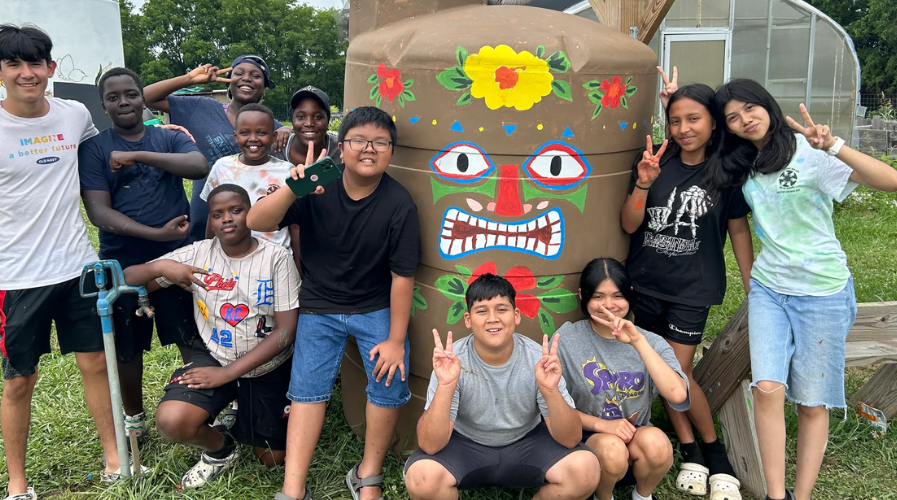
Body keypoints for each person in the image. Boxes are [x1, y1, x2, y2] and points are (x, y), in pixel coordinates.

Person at [0, 24, 122, 499]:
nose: (27, 73)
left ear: (51, 68)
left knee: (96, 364)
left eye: (35, 63)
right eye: (14, 64)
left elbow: (107, 157)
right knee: (20, 380)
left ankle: (114, 458)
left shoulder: (75, 114)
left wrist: (168, 131)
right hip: (16, 278)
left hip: (78, 269)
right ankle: (18, 483)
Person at [710, 78, 897, 500]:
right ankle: (776, 496)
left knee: (813, 403)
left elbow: (892, 181)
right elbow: (738, 225)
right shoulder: (744, 164)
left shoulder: (811, 153)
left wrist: (833, 146)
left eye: (749, 109)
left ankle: (803, 495)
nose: (745, 120)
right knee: (766, 390)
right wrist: (749, 281)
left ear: (766, 104)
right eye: (733, 118)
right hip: (770, 291)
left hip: (823, 293)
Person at [247, 107, 421, 500]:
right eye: (358, 140)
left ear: (391, 151)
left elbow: (402, 276)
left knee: (389, 380)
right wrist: (295, 186)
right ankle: (293, 488)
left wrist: (395, 339)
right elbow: (256, 221)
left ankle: (368, 474)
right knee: (306, 390)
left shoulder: (399, 204)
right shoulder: (314, 188)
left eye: (380, 142)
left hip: (374, 306)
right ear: (340, 149)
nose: (369, 149)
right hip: (319, 305)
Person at [620, 69, 753, 500]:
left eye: (694, 119)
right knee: (663, 373)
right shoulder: (656, 164)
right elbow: (629, 223)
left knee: (676, 371)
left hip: (693, 289)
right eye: (675, 121)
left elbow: (737, 232)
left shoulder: (726, 171)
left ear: (714, 121)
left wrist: (752, 285)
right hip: (645, 284)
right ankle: (693, 451)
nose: (683, 129)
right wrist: (643, 182)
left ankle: (715, 454)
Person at [122, 184, 300, 488]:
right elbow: (129, 279)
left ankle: (244, 407)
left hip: (268, 365)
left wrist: (227, 375)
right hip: (215, 355)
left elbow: (287, 330)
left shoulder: (276, 257)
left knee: (271, 458)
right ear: (211, 222)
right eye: (217, 214)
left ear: (251, 214)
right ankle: (221, 448)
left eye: (236, 210)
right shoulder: (199, 253)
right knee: (172, 421)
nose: (227, 219)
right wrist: (164, 266)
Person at [78, 66, 209, 444]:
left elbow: (198, 165)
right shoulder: (94, 149)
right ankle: (134, 417)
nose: (124, 102)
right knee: (127, 347)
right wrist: (155, 233)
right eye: (114, 97)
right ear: (104, 105)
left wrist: (138, 155)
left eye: (131, 94)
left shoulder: (166, 137)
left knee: (191, 336)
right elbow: (100, 213)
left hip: (177, 257)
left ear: (142, 97)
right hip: (123, 262)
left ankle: (202, 406)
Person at [403, 274, 599, 500]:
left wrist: (551, 390)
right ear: (468, 319)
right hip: (466, 445)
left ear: (516, 315)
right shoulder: (451, 361)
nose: (492, 318)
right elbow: (430, 445)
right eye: (482, 311)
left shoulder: (538, 359)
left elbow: (571, 439)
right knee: (422, 478)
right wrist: (446, 384)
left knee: (585, 471)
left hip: (527, 443)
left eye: (502, 309)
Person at [555, 258, 691, 500]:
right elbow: (553, 408)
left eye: (617, 296)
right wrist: (602, 425)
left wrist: (638, 342)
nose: (608, 305)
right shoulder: (567, 339)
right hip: (589, 442)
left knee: (658, 445)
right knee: (612, 449)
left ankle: (642, 496)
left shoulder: (651, 341)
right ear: (582, 296)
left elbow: (677, 394)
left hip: (634, 437)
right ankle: (603, 496)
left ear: (629, 295)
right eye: (598, 297)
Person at [143, 55, 290, 240]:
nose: (247, 78)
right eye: (239, 73)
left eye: (256, 75)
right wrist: (188, 78)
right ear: (229, 83)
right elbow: (145, 97)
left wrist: (287, 128)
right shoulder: (200, 108)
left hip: (252, 229)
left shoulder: (270, 128)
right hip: (204, 218)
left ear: (264, 88)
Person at [200, 104, 299, 268]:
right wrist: (208, 257)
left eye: (261, 132)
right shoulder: (222, 167)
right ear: (235, 136)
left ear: (274, 137)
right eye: (245, 132)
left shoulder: (287, 171)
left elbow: (294, 225)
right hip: (230, 260)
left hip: (276, 262)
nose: (253, 138)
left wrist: (297, 266)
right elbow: (212, 216)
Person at [271, 86, 341, 167]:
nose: (309, 123)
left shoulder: (340, 149)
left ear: (327, 121)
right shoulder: (276, 148)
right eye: (301, 117)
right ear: (292, 121)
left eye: (318, 117)